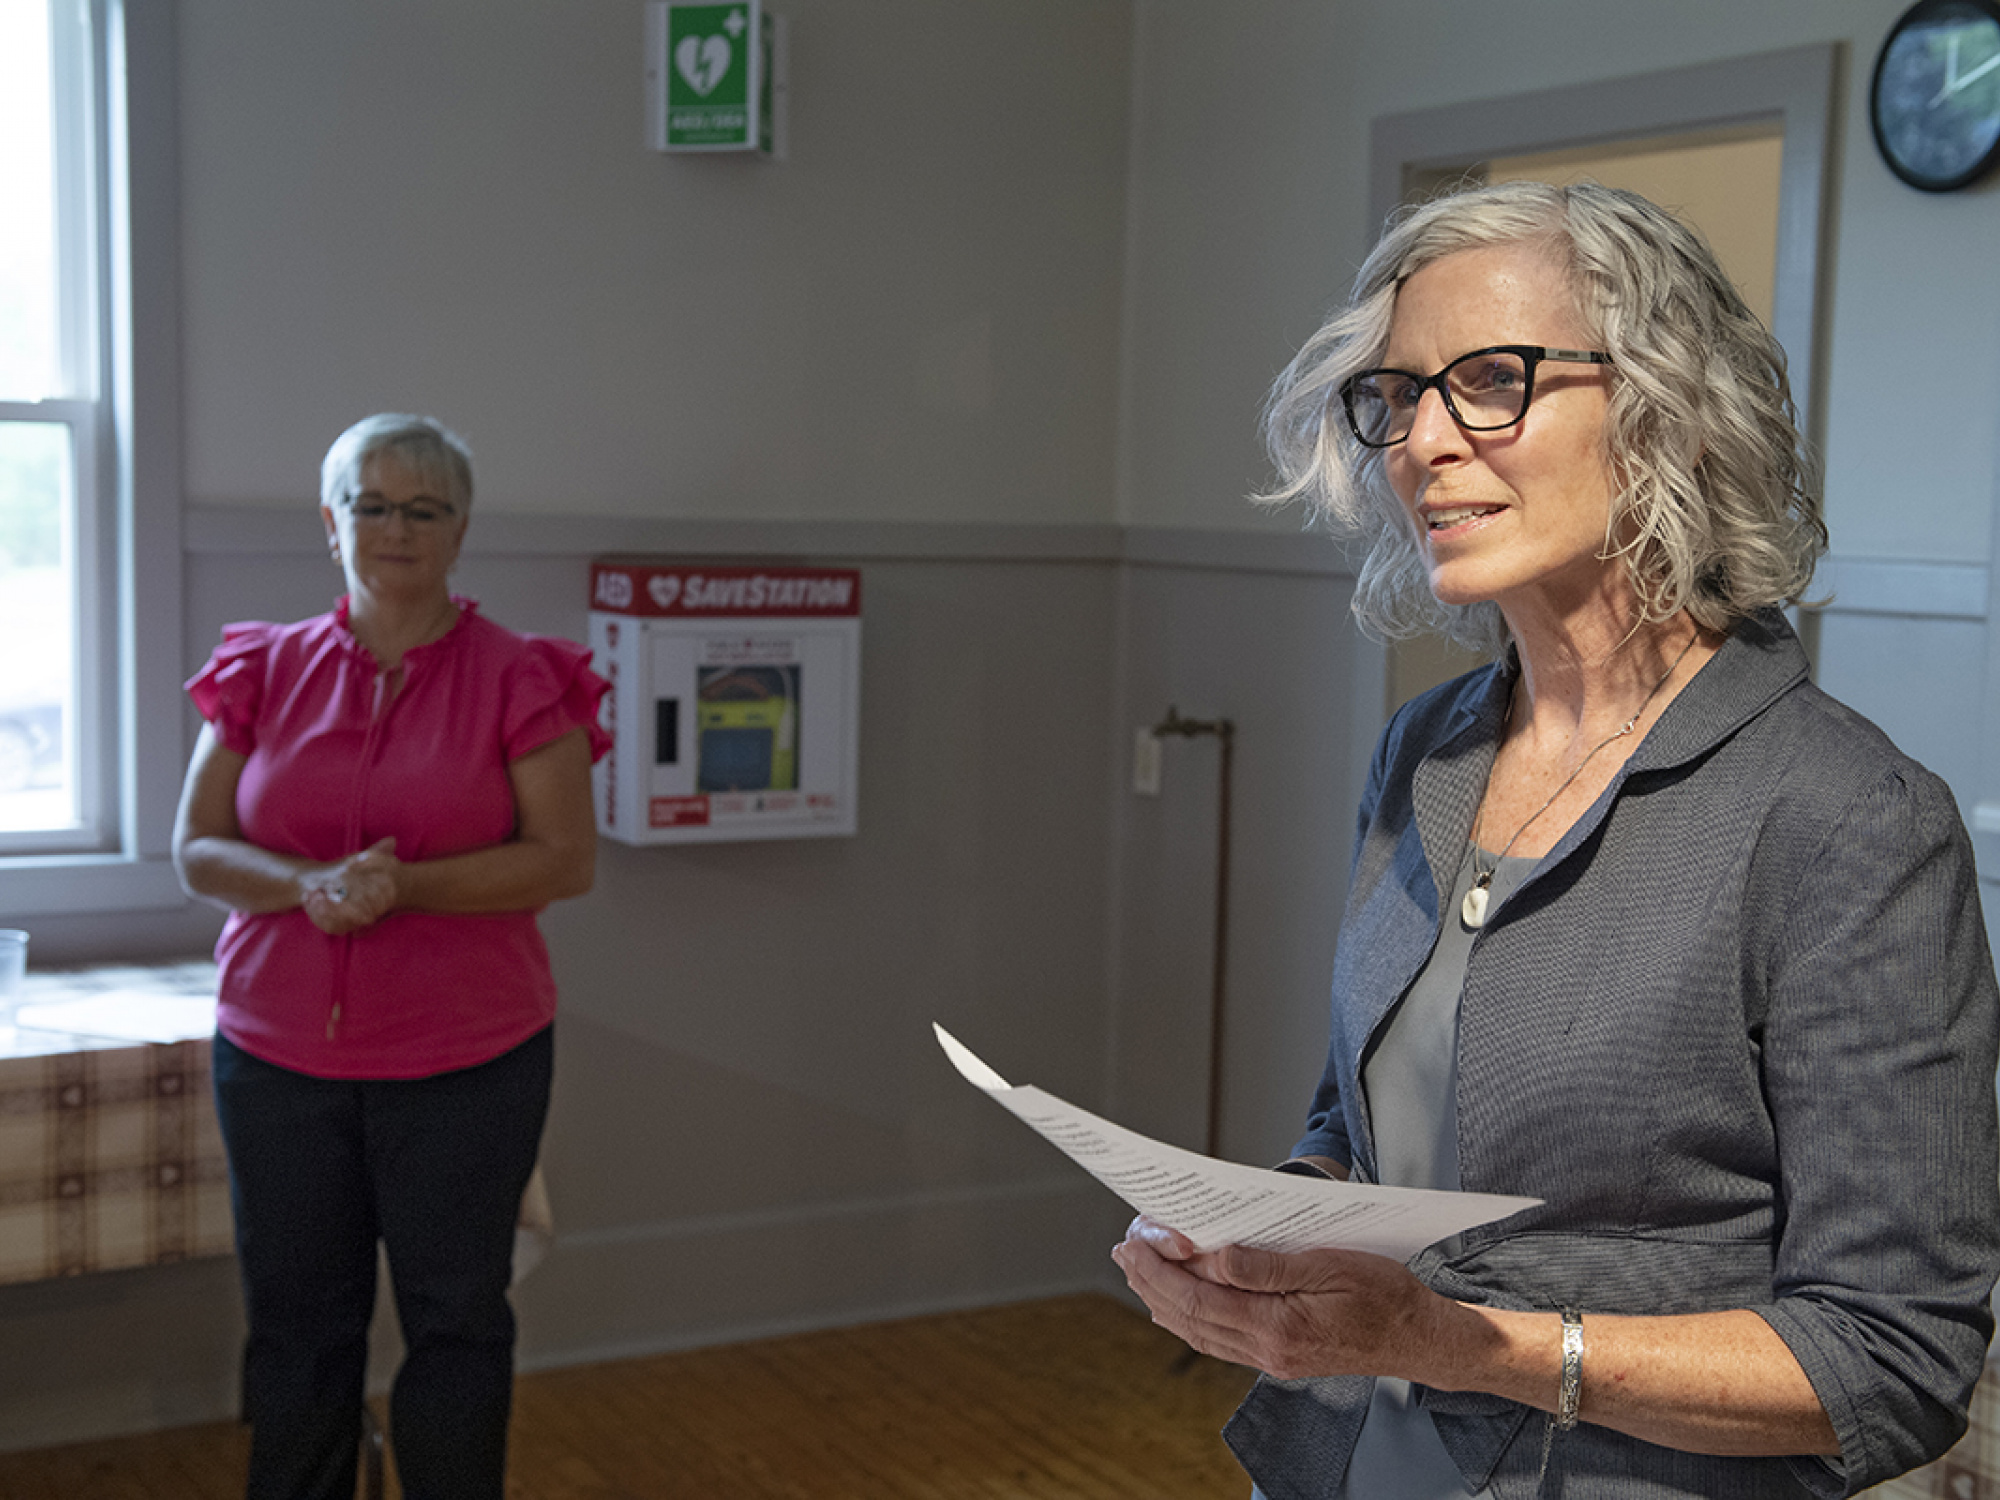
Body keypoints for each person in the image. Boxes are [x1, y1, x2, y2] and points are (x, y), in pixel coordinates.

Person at [1112, 181, 2000, 1499]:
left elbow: (1893, 1360)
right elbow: (1358, 1128)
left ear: (1667, 408)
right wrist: (1255, 1233)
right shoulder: (1426, 753)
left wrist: (1462, 1345)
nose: (1420, 441)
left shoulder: (1851, 819)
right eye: (1399, 396)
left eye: (1489, 380)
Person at [173, 413, 609, 1500]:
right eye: (372, 503)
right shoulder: (262, 667)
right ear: (332, 522)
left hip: (466, 1063)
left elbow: (563, 861)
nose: (396, 527)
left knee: (455, 1326)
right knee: (295, 1329)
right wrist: (306, 887)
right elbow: (196, 848)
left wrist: (401, 885)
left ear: (461, 528)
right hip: (274, 1063)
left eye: (425, 507)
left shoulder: (523, 678)